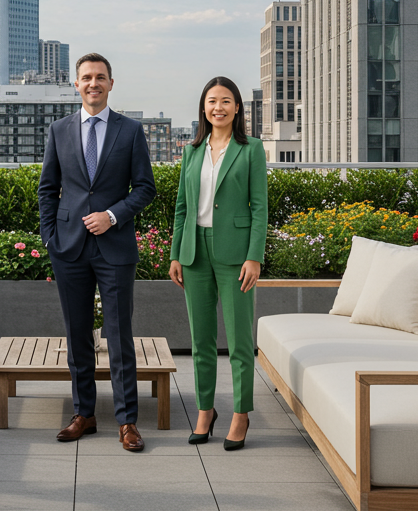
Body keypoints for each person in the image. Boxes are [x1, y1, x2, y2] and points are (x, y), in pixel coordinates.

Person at [38, 53, 156, 452]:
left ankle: (127, 421)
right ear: (76, 84)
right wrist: (51, 236)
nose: (93, 84)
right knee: (77, 336)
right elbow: (47, 189)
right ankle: (84, 414)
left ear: (111, 83)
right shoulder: (59, 130)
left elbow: (144, 188)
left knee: (120, 336)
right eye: (86, 78)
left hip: (115, 247)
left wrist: (111, 215)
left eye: (100, 78)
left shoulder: (131, 131)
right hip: (68, 248)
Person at [168, 76, 267, 451]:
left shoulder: (251, 149)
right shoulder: (192, 151)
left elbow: (260, 208)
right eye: (212, 101)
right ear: (203, 108)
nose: (218, 108)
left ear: (237, 108)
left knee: (240, 341)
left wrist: (254, 257)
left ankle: (240, 414)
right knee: (201, 341)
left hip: (236, 253)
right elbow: (181, 207)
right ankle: (205, 410)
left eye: (226, 101)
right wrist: (176, 253)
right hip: (195, 253)